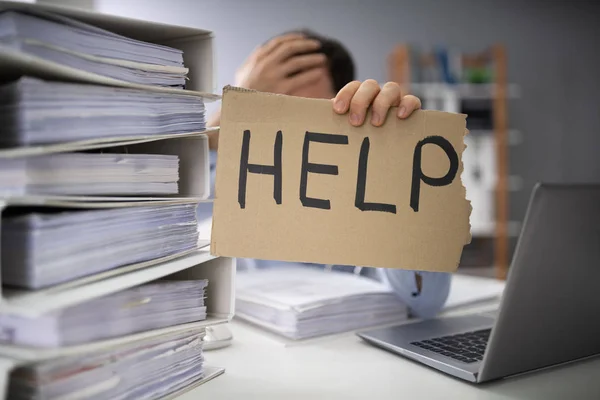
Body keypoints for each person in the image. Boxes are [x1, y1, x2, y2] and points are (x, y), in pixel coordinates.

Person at [205, 30, 451, 318]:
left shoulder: (363, 193)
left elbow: (424, 301)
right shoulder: (218, 176)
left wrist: (397, 174)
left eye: (305, 115)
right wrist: (234, 105)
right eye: (270, 112)